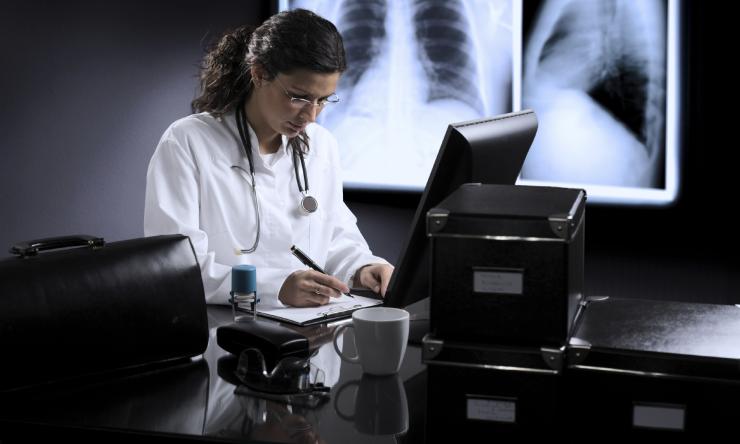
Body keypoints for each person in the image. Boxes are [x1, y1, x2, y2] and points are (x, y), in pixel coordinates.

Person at [144, 9, 393, 307]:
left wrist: (363, 266)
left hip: (309, 331)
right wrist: (275, 287)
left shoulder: (322, 146)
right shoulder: (187, 142)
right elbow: (177, 268)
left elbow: (334, 236)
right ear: (259, 73)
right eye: (298, 97)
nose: (311, 116)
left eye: (323, 100)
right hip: (222, 331)